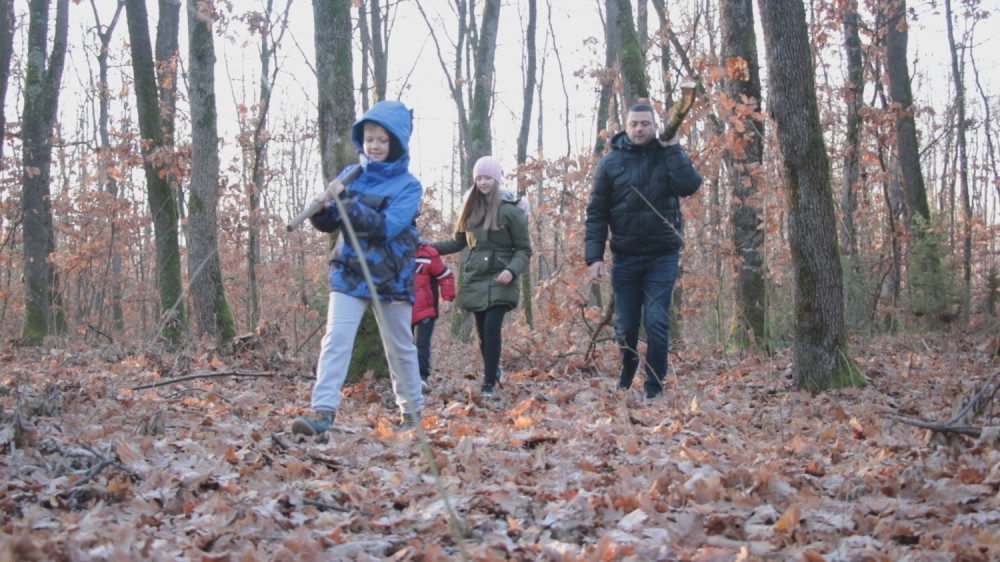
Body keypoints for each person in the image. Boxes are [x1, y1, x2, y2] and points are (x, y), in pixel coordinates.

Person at [291, 100, 424, 436]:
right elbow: (334, 221)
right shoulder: (350, 176)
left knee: (400, 348)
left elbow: (383, 228)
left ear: (395, 142)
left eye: (382, 139)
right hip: (349, 271)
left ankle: (412, 413)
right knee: (335, 340)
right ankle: (322, 412)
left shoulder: (409, 186)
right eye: (369, 139)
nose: (375, 146)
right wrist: (323, 209)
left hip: (390, 276)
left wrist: (344, 200)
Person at [585, 103, 702, 400]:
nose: (639, 129)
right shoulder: (609, 164)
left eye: (645, 124)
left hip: (662, 255)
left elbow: (689, 186)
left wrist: (673, 149)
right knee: (624, 327)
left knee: (657, 321)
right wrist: (595, 257)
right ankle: (628, 368)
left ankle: (654, 388)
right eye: (634, 123)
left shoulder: (667, 155)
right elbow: (597, 213)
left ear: (653, 126)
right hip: (625, 257)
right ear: (626, 126)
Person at [432, 156, 532, 397]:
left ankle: (488, 385)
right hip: (476, 277)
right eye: (479, 178)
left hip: (501, 277)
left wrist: (511, 270)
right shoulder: (470, 209)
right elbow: (456, 242)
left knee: (491, 328)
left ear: (496, 180)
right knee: (480, 332)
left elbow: (524, 249)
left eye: (487, 177)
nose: (483, 182)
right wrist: (426, 247)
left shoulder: (510, 211)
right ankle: (493, 370)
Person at [412, 242, 455, 391]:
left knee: (422, 344)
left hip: (426, 309)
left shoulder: (428, 253)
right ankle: (406, 378)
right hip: (402, 308)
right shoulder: (394, 252)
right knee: (405, 345)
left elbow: (446, 276)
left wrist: (448, 298)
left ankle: (422, 377)